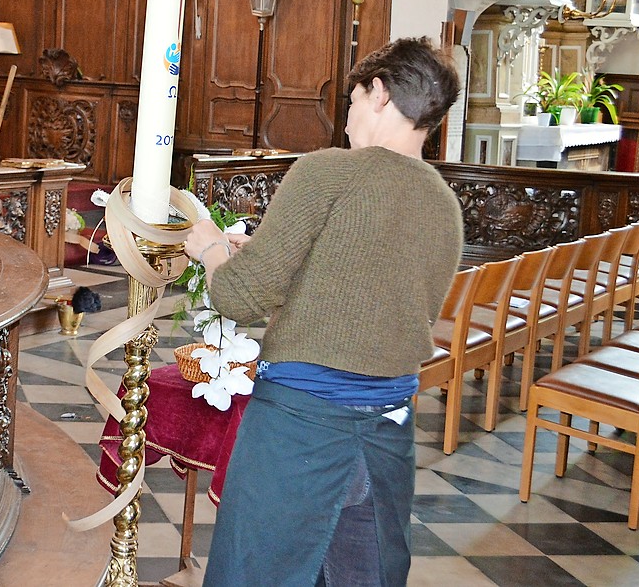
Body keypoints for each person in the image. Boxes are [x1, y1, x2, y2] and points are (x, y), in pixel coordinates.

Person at [186, 37, 464, 586]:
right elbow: (374, 303)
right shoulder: (443, 202)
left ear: (380, 94)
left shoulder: (328, 172)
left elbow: (238, 297)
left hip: (301, 428)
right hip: (388, 433)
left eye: (354, 100)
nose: (349, 117)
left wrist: (211, 247)